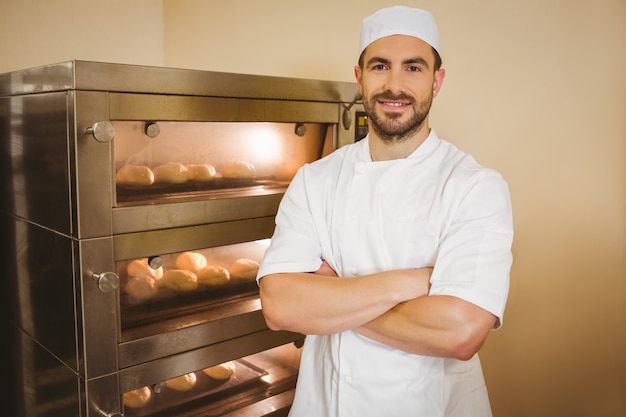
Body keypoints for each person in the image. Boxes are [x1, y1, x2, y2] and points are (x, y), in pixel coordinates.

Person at [256, 5, 513, 417]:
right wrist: (413, 283)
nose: (395, 85)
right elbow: (279, 306)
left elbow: (461, 333)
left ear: (437, 80)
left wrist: (331, 300)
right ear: (359, 78)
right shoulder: (315, 180)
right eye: (380, 66)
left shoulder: (475, 186)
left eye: (413, 68)